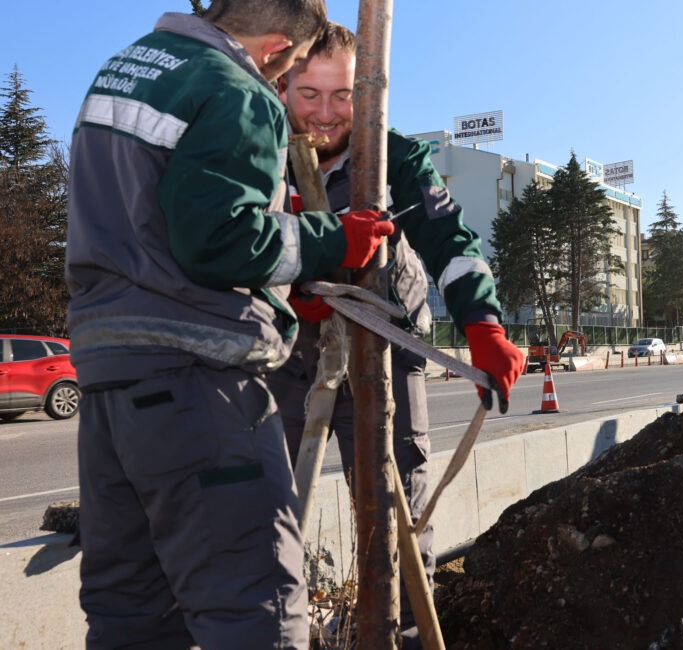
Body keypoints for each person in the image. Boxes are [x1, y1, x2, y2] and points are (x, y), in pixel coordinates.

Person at [63, 2, 409, 647]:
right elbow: (220, 241)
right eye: (296, 75)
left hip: (112, 374)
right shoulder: (236, 89)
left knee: (132, 609)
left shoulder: (129, 67)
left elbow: (155, 217)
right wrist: (330, 242)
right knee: (256, 606)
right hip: (197, 379)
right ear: (278, 48)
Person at [268, 21, 525, 644]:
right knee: (266, 498)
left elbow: (452, 243)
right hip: (285, 346)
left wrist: (482, 323)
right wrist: (290, 287)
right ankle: (277, 631)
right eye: (309, 94)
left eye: (343, 95)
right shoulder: (252, 153)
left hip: (383, 338)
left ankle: (406, 632)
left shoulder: (396, 158)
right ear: (280, 88)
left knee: (397, 504)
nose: (327, 114)